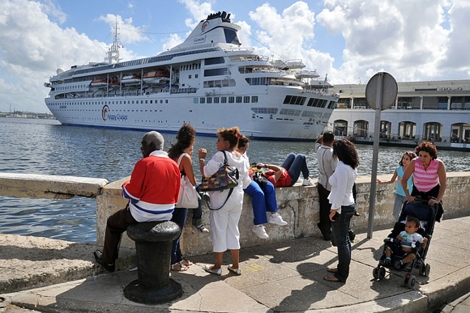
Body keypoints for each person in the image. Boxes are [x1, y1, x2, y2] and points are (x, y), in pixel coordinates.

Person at [94, 131, 180, 272]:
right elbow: (176, 195)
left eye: (143, 145)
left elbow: (131, 194)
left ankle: (108, 261)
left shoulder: (144, 163)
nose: (141, 149)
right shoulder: (173, 165)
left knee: (113, 223)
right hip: (167, 214)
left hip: (143, 214)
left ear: (151, 145)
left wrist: (125, 185)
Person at [198, 127, 249, 275]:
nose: (216, 143)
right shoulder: (243, 158)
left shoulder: (221, 156)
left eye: (219, 140)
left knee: (219, 230)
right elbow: (246, 182)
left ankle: (217, 266)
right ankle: (235, 265)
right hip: (237, 197)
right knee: (233, 230)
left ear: (226, 143)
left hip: (221, 199)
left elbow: (206, 172)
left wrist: (201, 158)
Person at [167, 124, 207, 272]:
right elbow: (193, 180)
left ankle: (178, 257)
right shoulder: (185, 158)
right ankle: (172, 262)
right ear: (191, 140)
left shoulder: (171, 153)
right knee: (177, 230)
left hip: (170, 195)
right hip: (181, 197)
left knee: (173, 228)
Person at [236, 135, 288, 239]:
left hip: (250, 177)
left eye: (247, 148)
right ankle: (258, 225)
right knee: (259, 194)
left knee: (269, 186)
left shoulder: (243, 153)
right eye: (244, 148)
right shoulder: (233, 155)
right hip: (242, 182)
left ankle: (274, 214)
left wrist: (252, 170)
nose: (246, 150)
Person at [324, 139, 358, 283]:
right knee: (344, 240)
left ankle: (342, 274)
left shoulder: (342, 167)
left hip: (342, 207)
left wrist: (334, 210)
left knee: (342, 241)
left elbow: (340, 191)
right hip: (347, 205)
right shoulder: (350, 166)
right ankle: (341, 269)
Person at [400, 141, 446, 228]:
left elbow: (443, 184)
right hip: (417, 190)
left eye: (425, 156)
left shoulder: (438, 164)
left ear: (431, 157)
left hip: (433, 191)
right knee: (412, 213)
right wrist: (408, 195)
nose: (422, 158)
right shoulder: (414, 162)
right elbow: (404, 180)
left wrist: (438, 200)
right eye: (420, 155)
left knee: (429, 217)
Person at [377, 151, 416, 219]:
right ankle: (401, 224)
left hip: (408, 196)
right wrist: (382, 182)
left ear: (411, 161)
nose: (404, 160)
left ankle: (404, 227)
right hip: (398, 194)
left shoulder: (413, 171)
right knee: (395, 213)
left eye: (407, 159)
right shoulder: (398, 169)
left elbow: (415, 184)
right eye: (403, 158)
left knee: (407, 214)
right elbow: (392, 180)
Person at [315, 131, 337, 241]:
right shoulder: (332, 153)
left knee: (323, 208)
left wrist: (322, 137)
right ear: (333, 141)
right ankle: (327, 230)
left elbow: (317, 142)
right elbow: (335, 171)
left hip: (321, 181)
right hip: (330, 184)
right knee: (332, 209)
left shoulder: (319, 149)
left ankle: (325, 228)